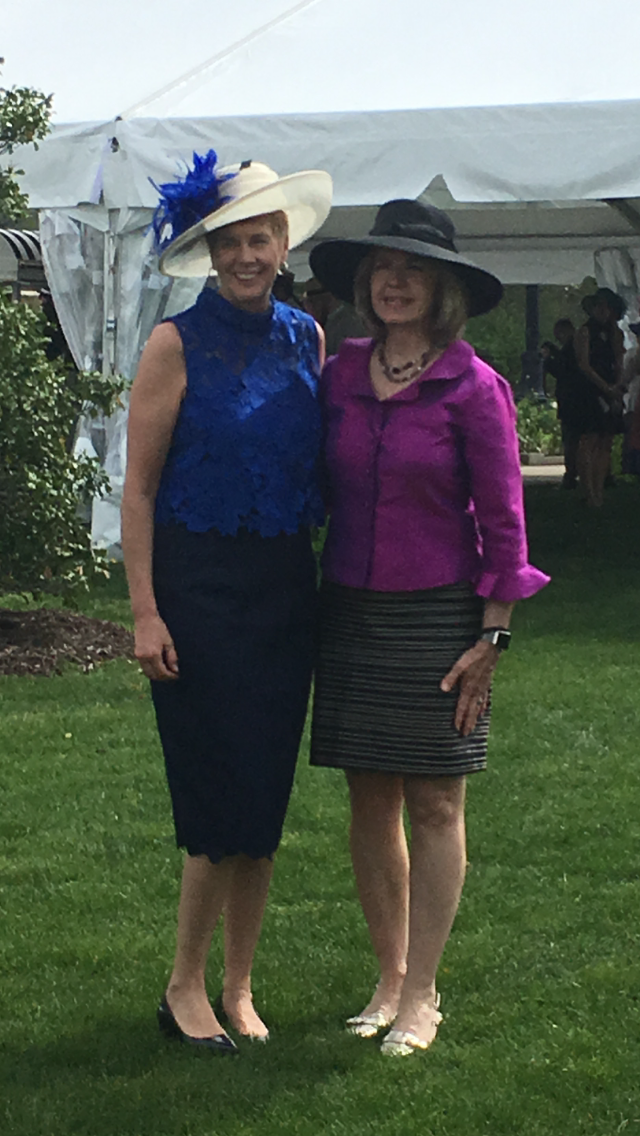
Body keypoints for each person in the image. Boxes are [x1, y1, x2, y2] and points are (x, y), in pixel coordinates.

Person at [308, 199, 550, 1057]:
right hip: (350, 608)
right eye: (383, 267)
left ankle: (423, 995)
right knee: (369, 798)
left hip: (442, 614)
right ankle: (389, 976)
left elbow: (507, 523)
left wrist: (494, 635)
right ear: (365, 284)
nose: (395, 281)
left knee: (437, 801)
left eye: (413, 269)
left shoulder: (475, 388)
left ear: (444, 288)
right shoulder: (340, 375)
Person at [121, 151, 332, 1053]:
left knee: (264, 799)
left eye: (261, 240)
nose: (247, 256)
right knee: (215, 799)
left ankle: (239, 986)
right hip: (198, 591)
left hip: (284, 588)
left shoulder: (306, 337)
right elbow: (137, 490)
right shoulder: (174, 345)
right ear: (210, 252)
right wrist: (145, 611)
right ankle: (183, 987)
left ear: (284, 244)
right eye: (231, 242)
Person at [570, 288, 626, 507]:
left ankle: (599, 491)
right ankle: (589, 492)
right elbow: (583, 364)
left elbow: (619, 361)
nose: (603, 311)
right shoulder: (584, 332)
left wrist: (617, 387)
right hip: (589, 390)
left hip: (611, 387)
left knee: (606, 440)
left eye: (606, 306)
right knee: (589, 439)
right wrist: (605, 387)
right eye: (598, 306)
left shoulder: (615, 334)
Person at [540, 318, 579, 488]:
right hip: (573, 399)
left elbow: (563, 371)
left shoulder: (571, 349)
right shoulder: (574, 348)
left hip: (571, 400)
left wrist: (548, 360)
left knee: (571, 438)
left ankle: (571, 474)